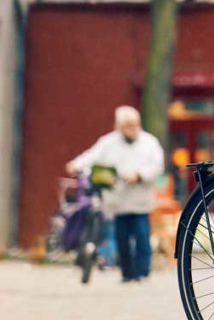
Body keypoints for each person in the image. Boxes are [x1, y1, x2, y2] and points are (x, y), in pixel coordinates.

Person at [66, 106, 164, 282]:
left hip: (140, 201)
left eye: (134, 124)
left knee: (142, 237)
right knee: (122, 238)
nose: (132, 128)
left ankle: (142, 272)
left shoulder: (150, 142)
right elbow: (92, 156)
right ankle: (127, 273)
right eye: (128, 125)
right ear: (119, 126)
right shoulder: (108, 143)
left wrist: (140, 175)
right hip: (118, 202)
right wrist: (76, 164)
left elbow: (157, 165)